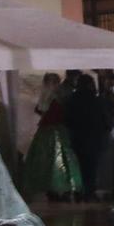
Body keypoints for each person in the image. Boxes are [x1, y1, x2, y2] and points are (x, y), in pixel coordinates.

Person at [21, 72, 84, 201]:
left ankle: (58, 188)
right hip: (55, 130)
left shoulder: (53, 96)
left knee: (52, 159)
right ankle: (59, 188)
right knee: (57, 158)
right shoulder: (57, 96)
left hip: (51, 130)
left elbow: (41, 110)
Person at [65, 74, 114, 202]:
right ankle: (89, 192)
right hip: (95, 139)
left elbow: (67, 120)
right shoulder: (98, 101)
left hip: (78, 138)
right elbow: (107, 121)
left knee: (79, 166)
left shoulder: (71, 100)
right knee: (92, 167)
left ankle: (79, 191)